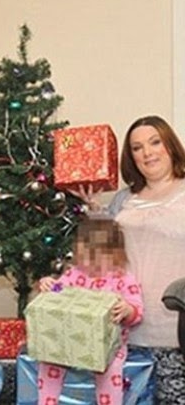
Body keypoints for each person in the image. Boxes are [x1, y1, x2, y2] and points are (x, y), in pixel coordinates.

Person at [70, 115, 185, 403]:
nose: (147, 153)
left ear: (170, 146)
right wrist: (94, 210)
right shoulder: (124, 199)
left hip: (177, 334)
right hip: (126, 332)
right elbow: (105, 251)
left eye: (155, 142)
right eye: (137, 147)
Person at [36, 217, 143, 405]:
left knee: (110, 369)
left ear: (114, 254)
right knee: (48, 362)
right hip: (69, 339)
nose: (87, 263)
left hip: (109, 345)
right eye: (82, 256)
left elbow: (137, 312)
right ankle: (46, 402)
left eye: (94, 258)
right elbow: (58, 292)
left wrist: (127, 310)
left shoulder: (123, 279)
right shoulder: (74, 274)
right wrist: (48, 284)